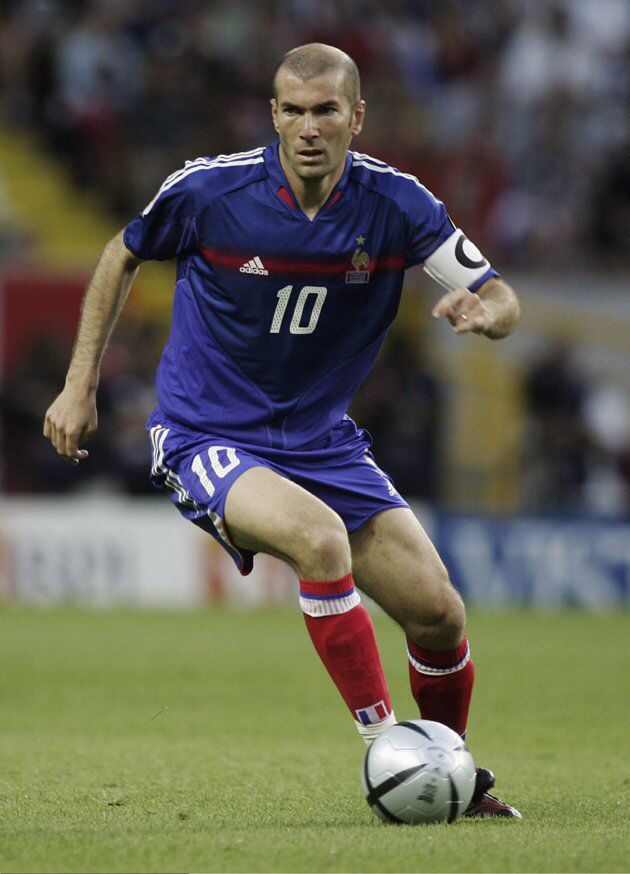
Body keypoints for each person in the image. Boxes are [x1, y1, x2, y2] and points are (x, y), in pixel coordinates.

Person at [44, 44, 521, 819]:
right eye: (293, 111)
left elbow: (501, 296)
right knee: (319, 539)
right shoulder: (209, 191)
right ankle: (389, 753)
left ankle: (447, 774)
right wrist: (78, 384)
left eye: (326, 110)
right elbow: (119, 254)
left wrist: (485, 313)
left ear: (356, 117)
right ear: (273, 115)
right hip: (205, 434)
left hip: (322, 442)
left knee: (440, 613)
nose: (308, 128)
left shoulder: (397, 204)